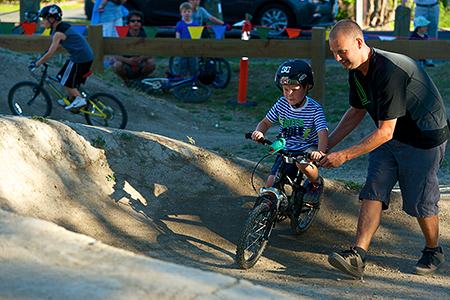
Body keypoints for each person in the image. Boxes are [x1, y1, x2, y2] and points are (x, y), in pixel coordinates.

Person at [322, 19, 449, 279]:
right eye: (333, 52)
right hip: (391, 134)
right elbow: (356, 110)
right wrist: (327, 144)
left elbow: (385, 131)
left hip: (423, 137)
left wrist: (344, 155)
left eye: (341, 51)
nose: (337, 58)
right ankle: (358, 255)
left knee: (420, 199)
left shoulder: (389, 71)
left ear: (359, 43)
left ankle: (433, 250)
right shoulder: (356, 69)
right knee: (374, 188)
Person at [251, 59, 328, 204]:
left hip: (308, 148)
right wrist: (259, 132)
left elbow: (322, 132)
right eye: (286, 89)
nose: (289, 94)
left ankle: (316, 184)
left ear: (307, 87)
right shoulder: (281, 104)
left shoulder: (314, 108)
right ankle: (270, 211)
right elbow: (266, 122)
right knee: (270, 183)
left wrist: (320, 151)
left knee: (302, 163)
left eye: (295, 89)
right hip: (287, 149)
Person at [30, 4, 94, 111]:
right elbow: (62, 44)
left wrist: (36, 63)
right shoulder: (63, 27)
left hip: (80, 57)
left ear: (52, 19)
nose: (42, 22)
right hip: (84, 56)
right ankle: (70, 99)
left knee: (66, 81)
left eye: (44, 19)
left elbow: (50, 54)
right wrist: (50, 50)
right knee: (61, 76)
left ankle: (79, 99)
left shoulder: (58, 33)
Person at [113, 11, 156, 85]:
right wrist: (128, 60)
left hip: (141, 63)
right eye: (133, 21)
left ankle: (139, 79)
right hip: (126, 64)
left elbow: (150, 54)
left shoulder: (144, 35)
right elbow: (117, 56)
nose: (136, 23)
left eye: (138, 21)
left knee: (151, 63)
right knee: (117, 65)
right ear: (129, 23)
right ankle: (126, 81)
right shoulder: (123, 35)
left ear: (141, 23)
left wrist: (141, 58)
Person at [91, 0, 127, 66]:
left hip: (118, 14)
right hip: (106, 16)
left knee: (117, 36)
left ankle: (112, 58)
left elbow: (122, 1)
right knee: (106, 37)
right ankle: (104, 59)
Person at [408, 0, 440, 66]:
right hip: (420, 6)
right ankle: (418, 57)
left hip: (434, 6)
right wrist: (403, 3)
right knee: (418, 33)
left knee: (433, 33)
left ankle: (429, 59)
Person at [175, 2, 200, 76]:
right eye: (184, 11)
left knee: (194, 66)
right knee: (182, 65)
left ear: (192, 13)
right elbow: (177, 36)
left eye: (189, 11)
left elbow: (197, 37)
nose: (187, 13)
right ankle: (182, 81)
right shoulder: (179, 24)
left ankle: (193, 82)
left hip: (193, 49)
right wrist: (179, 45)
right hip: (183, 49)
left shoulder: (196, 24)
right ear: (181, 13)